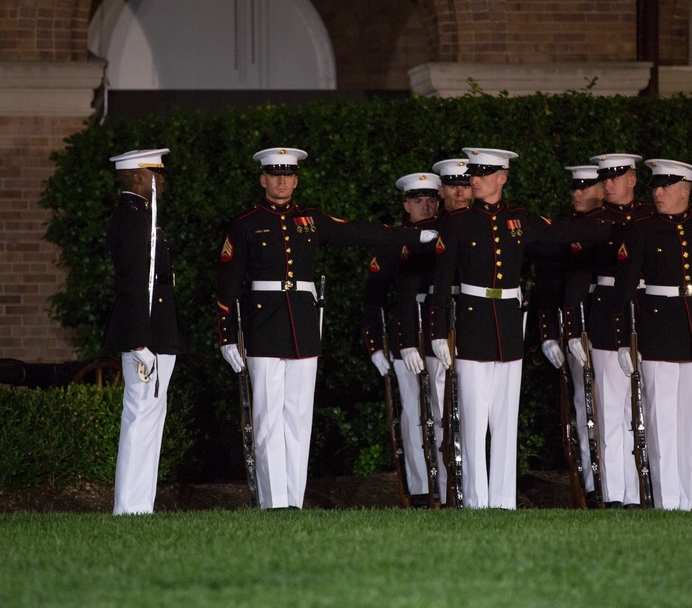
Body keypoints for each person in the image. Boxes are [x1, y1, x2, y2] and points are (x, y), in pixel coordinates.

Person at [216, 147, 438, 509]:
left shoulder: (311, 218)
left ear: (297, 180)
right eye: (275, 174)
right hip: (264, 325)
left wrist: (413, 237)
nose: (282, 180)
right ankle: (273, 502)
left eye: (288, 174)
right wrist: (227, 335)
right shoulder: (245, 223)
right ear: (263, 179)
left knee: (300, 416)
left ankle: (293, 501)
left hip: (303, 325)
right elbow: (227, 283)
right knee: (267, 416)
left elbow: (357, 232)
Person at [612, 158, 692, 510]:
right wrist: (624, 337)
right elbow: (624, 288)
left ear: (684, 190)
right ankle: (666, 501)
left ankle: (687, 501)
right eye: (655, 186)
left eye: (665, 186)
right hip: (658, 329)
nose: (657, 192)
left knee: (689, 422)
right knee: (661, 421)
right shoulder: (642, 228)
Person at [429, 147, 553, 509]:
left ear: (502, 177)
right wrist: (438, 331)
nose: (475, 179)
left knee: (505, 422)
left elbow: (557, 241)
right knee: (472, 421)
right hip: (472, 325)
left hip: (509, 326)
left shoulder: (520, 219)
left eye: (484, 173)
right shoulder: (458, 222)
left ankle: (503, 500)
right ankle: (475, 499)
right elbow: (441, 282)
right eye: (474, 172)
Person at [562, 153, 652, 508]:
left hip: (652, 314)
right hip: (605, 317)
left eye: (615, 177)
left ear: (632, 178)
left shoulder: (650, 216)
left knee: (647, 412)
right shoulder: (594, 221)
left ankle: (646, 492)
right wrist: (571, 328)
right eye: (604, 178)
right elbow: (577, 276)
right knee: (610, 411)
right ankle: (616, 493)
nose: (608, 184)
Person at [103, 148, 187, 515]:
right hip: (146, 335)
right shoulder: (133, 220)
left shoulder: (140, 217)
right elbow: (135, 283)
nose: (162, 179)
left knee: (150, 417)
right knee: (140, 416)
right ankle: (130, 507)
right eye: (156, 173)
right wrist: (138, 340)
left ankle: (140, 506)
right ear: (137, 177)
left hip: (155, 331)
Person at [361, 171, 443, 507]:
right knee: (412, 414)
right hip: (404, 336)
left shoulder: (449, 236)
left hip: (443, 333)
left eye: (431, 199)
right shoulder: (395, 241)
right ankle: (421, 489)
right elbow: (372, 297)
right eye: (418, 200)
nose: (425, 206)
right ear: (406, 204)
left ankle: (451, 483)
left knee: (446, 412)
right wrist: (375, 345)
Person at [535, 163, 605, 506]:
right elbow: (548, 285)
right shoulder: (564, 230)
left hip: (613, 326)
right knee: (584, 406)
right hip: (579, 330)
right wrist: (548, 333)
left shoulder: (619, 226)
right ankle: (591, 485)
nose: (578, 193)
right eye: (575, 187)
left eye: (586, 187)